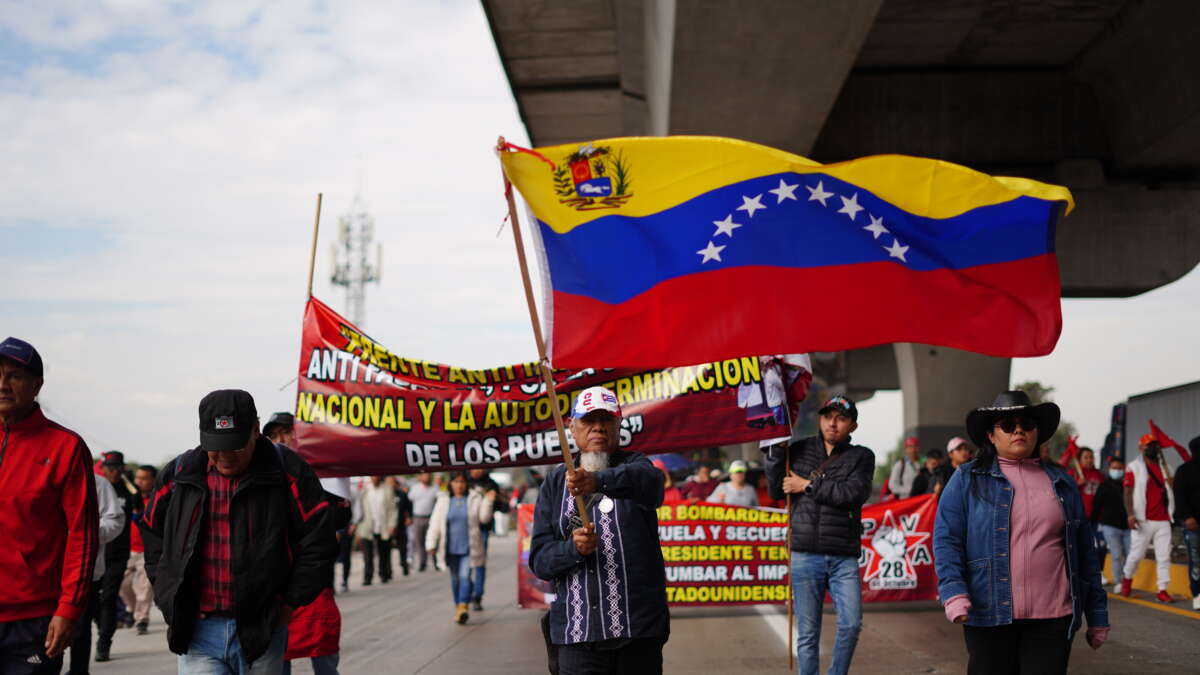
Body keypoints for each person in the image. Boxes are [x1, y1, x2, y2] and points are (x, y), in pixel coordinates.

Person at [140, 389, 336, 673]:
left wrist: (289, 603)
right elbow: (152, 533)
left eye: (235, 446)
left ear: (255, 430)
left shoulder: (287, 470)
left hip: (262, 630)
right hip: (196, 632)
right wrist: (167, 592)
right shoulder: (180, 474)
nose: (225, 456)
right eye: (216, 446)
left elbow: (319, 539)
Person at [934, 390, 1108, 675]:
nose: (1018, 430)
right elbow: (946, 539)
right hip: (989, 613)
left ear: (1037, 433)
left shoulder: (1062, 483)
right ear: (991, 436)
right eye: (1008, 425)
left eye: (1027, 424)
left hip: (1053, 618)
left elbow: (1085, 553)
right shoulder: (967, 479)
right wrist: (953, 592)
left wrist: (1097, 614)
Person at [529, 386, 669, 674]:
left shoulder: (637, 467)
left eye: (606, 420)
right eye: (589, 421)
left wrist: (597, 481)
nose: (598, 428)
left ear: (618, 426)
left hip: (638, 633)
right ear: (572, 428)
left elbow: (652, 483)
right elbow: (540, 561)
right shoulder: (555, 483)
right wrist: (573, 550)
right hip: (577, 638)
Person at [0, 337, 100, 674]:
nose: (2, 385)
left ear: (37, 384)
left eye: (14, 376)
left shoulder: (65, 447)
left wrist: (69, 608)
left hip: (34, 621)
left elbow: (82, 535)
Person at [764, 395, 874, 675]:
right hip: (804, 553)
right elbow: (776, 490)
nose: (833, 423)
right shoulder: (798, 449)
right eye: (828, 417)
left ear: (853, 426)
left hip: (843, 557)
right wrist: (776, 453)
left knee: (851, 624)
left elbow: (852, 494)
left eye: (841, 418)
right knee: (807, 635)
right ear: (820, 419)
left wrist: (807, 485)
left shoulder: (862, 456)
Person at [67, 474, 123, 675]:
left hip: (82, 571)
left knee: (80, 627)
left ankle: (79, 670)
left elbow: (114, 520)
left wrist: (86, 532)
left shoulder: (97, 483)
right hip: (37, 573)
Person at [425, 472, 494, 625]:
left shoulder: (475, 498)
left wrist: (488, 501)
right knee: (455, 579)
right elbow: (435, 523)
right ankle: (459, 608)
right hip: (449, 548)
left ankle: (463, 605)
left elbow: (484, 518)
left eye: (462, 482)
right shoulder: (443, 500)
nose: (459, 485)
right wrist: (431, 543)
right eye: (456, 482)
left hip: (469, 547)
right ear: (450, 483)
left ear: (467, 483)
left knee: (465, 576)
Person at [93, 451, 140, 663]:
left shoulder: (129, 490)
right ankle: (103, 625)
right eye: (109, 467)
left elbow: (140, 515)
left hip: (118, 553)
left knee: (109, 596)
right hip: (96, 552)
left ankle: (104, 643)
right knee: (93, 599)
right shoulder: (96, 488)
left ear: (122, 469)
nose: (113, 471)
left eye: (117, 468)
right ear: (103, 468)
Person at [1119, 434, 1176, 602]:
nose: (1152, 448)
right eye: (1148, 445)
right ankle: (1127, 579)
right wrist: (1130, 515)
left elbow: (1172, 485)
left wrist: (1163, 463)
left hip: (1163, 519)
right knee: (1137, 554)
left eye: (1155, 445)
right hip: (1142, 519)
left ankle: (1162, 589)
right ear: (1141, 448)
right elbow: (1127, 492)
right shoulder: (1133, 467)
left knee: (1164, 556)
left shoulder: (1166, 467)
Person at [119, 465, 157, 636]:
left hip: (146, 551)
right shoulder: (128, 498)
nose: (139, 481)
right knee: (122, 585)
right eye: (138, 478)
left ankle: (142, 619)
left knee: (144, 587)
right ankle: (133, 609)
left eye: (144, 478)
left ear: (153, 480)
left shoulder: (157, 499)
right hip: (128, 549)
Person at [467, 468, 508, 610]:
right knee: (465, 563)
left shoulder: (490, 484)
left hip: (482, 529)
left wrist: (494, 498)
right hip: (466, 528)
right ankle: (468, 589)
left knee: (480, 562)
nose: (477, 471)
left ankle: (477, 595)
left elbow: (503, 506)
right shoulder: (463, 482)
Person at [1091, 456, 1131, 594]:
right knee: (1116, 555)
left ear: (1124, 469)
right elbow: (1096, 506)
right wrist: (1092, 524)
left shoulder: (1128, 485)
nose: (1117, 470)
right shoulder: (1103, 486)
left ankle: (1127, 580)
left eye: (1119, 468)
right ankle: (1119, 582)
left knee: (1130, 554)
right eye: (1114, 468)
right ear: (1109, 469)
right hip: (1110, 527)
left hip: (1128, 527)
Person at [356, 476, 398, 586]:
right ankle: (368, 577)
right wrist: (357, 526)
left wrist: (392, 525)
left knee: (384, 552)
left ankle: (383, 574)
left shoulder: (387, 490)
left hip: (383, 526)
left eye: (376, 476)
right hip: (367, 526)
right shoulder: (365, 490)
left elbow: (392, 509)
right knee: (367, 554)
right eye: (372, 477)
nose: (374, 478)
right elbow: (359, 509)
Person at [1174, 436, 1200, 611]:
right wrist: (1187, 517)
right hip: (1193, 525)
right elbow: (1180, 496)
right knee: (1196, 559)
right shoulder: (1184, 470)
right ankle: (1197, 594)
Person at [407, 472, 439, 572]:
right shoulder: (415, 488)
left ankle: (436, 561)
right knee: (419, 541)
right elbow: (409, 502)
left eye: (428, 475)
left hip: (431, 517)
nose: (426, 477)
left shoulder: (435, 488)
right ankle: (422, 562)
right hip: (418, 518)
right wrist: (409, 517)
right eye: (424, 475)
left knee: (433, 539)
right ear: (420, 477)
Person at [387, 476, 413, 577]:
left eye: (393, 482)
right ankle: (388, 571)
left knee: (403, 548)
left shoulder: (401, 494)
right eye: (389, 483)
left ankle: (404, 566)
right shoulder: (385, 495)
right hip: (388, 526)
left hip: (400, 525)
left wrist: (409, 517)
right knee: (386, 550)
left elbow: (409, 506)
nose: (391, 485)